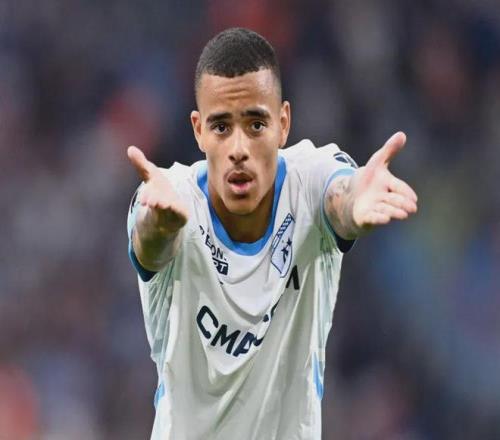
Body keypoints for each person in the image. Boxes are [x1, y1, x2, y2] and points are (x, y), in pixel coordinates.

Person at [126, 27, 418, 440]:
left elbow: (339, 198)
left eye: (256, 124)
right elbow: (150, 245)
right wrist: (159, 226)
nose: (238, 148)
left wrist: (354, 204)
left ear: (283, 123)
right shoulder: (168, 198)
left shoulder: (311, 179)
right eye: (221, 127)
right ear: (198, 130)